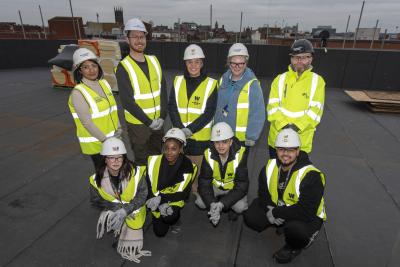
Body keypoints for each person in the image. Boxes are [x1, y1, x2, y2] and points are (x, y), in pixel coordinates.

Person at [244, 128, 326, 264]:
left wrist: (276, 212)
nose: (285, 154)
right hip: (279, 207)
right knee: (251, 217)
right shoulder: (269, 167)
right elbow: (263, 193)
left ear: (298, 151)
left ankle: (294, 246)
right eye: (281, 149)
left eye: (291, 150)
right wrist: (268, 209)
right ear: (276, 150)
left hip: (307, 215)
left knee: (297, 231)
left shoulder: (311, 175)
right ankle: (280, 224)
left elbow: (306, 210)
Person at [168, 44, 218, 202]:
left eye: (197, 62)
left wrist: (190, 129)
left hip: (200, 138)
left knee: (196, 168)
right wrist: (180, 129)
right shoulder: (177, 81)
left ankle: (196, 190)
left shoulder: (211, 84)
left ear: (202, 63)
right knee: (179, 165)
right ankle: (180, 191)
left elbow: (209, 112)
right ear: (185, 63)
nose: (193, 66)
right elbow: (172, 106)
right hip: (179, 136)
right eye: (190, 62)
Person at [89, 137, 150, 263]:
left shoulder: (136, 172)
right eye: (111, 157)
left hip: (135, 209)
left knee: (134, 232)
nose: (116, 161)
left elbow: (143, 195)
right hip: (114, 209)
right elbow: (95, 200)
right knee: (110, 217)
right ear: (105, 159)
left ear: (124, 158)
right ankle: (120, 228)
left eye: (119, 157)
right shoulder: (96, 179)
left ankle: (129, 227)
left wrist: (126, 210)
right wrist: (116, 209)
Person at [116, 18, 168, 165]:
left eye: (142, 36)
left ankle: (154, 186)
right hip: (139, 126)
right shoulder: (124, 67)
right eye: (135, 36)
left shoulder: (154, 61)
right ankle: (144, 188)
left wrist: (163, 117)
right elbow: (127, 102)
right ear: (127, 39)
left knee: (157, 158)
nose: (139, 40)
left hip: (158, 122)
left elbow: (163, 91)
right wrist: (148, 122)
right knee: (142, 161)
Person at [267, 39, 325, 158]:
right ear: (291, 59)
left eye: (304, 57)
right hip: (277, 141)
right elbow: (272, 108)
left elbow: (315, 112)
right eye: (296, 57)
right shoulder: (279, 79)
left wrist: (295, 128)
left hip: (301, 144)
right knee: (273, 174)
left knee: (296, 176)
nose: (300, 61)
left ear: (311, 58)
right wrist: (284, 126)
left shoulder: (317, 82)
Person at [68, 48, 121, 169]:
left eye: (94, 65)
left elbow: (112, 108)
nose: (91, 70)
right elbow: (87, 123)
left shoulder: (104, 83)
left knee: (118, 172)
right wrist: (106, 140)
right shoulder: (78, 93)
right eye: (86, 67)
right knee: (104, 175)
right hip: (97, 143)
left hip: (113, 137)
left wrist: (118, 127)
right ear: (79, 70)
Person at [145, 128, 197, 237]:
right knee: (160, 233)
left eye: (174, 149)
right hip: (155, 199)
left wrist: (162, 199)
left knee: (170, 217)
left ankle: (175, 220)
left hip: (173, 200)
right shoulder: (152, 161)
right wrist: (155, 200)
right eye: (166, 148)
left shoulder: (188, 167)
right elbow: (148, 185)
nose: (169, 152)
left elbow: (183, 194)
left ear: (181, 149)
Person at [214, 43, 265, 148]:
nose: (237, 67)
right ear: (229, 63)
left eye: (241, 63)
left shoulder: (252, 84)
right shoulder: (223, 80)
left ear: (246, 63)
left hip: (240, 140)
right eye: (233, 63)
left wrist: (251, 136)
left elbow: (258, 113)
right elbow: (216, 107)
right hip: (221, 135)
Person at [196, 122, 249, 225]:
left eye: (224, 142)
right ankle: (216, 202)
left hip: (232, 188)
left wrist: (222, 204)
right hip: (215, 187)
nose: (220, 146)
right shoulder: (208, 154)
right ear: (213, 143)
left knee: (240, 207)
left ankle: (227, 205)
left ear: (231, 142)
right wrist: (211, 203)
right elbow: (204, 182)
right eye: (217, 142)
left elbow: (242, 185)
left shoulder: (241, 154)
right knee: (200, 202)